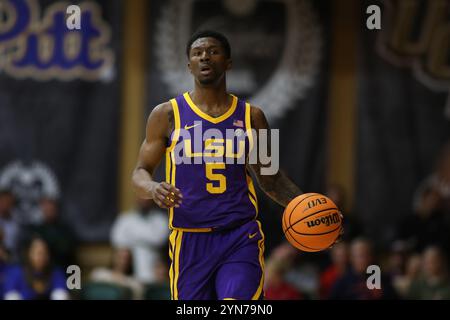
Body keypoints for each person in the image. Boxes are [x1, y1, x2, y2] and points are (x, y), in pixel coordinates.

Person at [131, 30, 342, 300]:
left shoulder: (252, 116)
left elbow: (272, 178)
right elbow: (139, 172)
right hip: (189, 240)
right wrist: (152, 187)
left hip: (239, 236)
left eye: (213, 51)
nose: (205, 57)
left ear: (228, 62)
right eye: (197, 53)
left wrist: (315, 212)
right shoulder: (166, 114)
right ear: (189, 65)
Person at [111, 198, 168, 284]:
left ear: (152, 201)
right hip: (129, 270)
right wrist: (148, 235)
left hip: (154, 268)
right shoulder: (125, 218)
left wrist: (132, 234)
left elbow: (159, 239)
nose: (143, 202)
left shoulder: (160, 219)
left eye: (146, 200)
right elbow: (117, 240)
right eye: (141, 199)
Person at [3, 236, 69, 300]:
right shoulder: (16, 272)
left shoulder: (55, 272)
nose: (42, 257)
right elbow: (9, 294)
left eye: (45, 252)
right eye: (38, 253)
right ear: (28, 253)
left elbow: (61, 292)